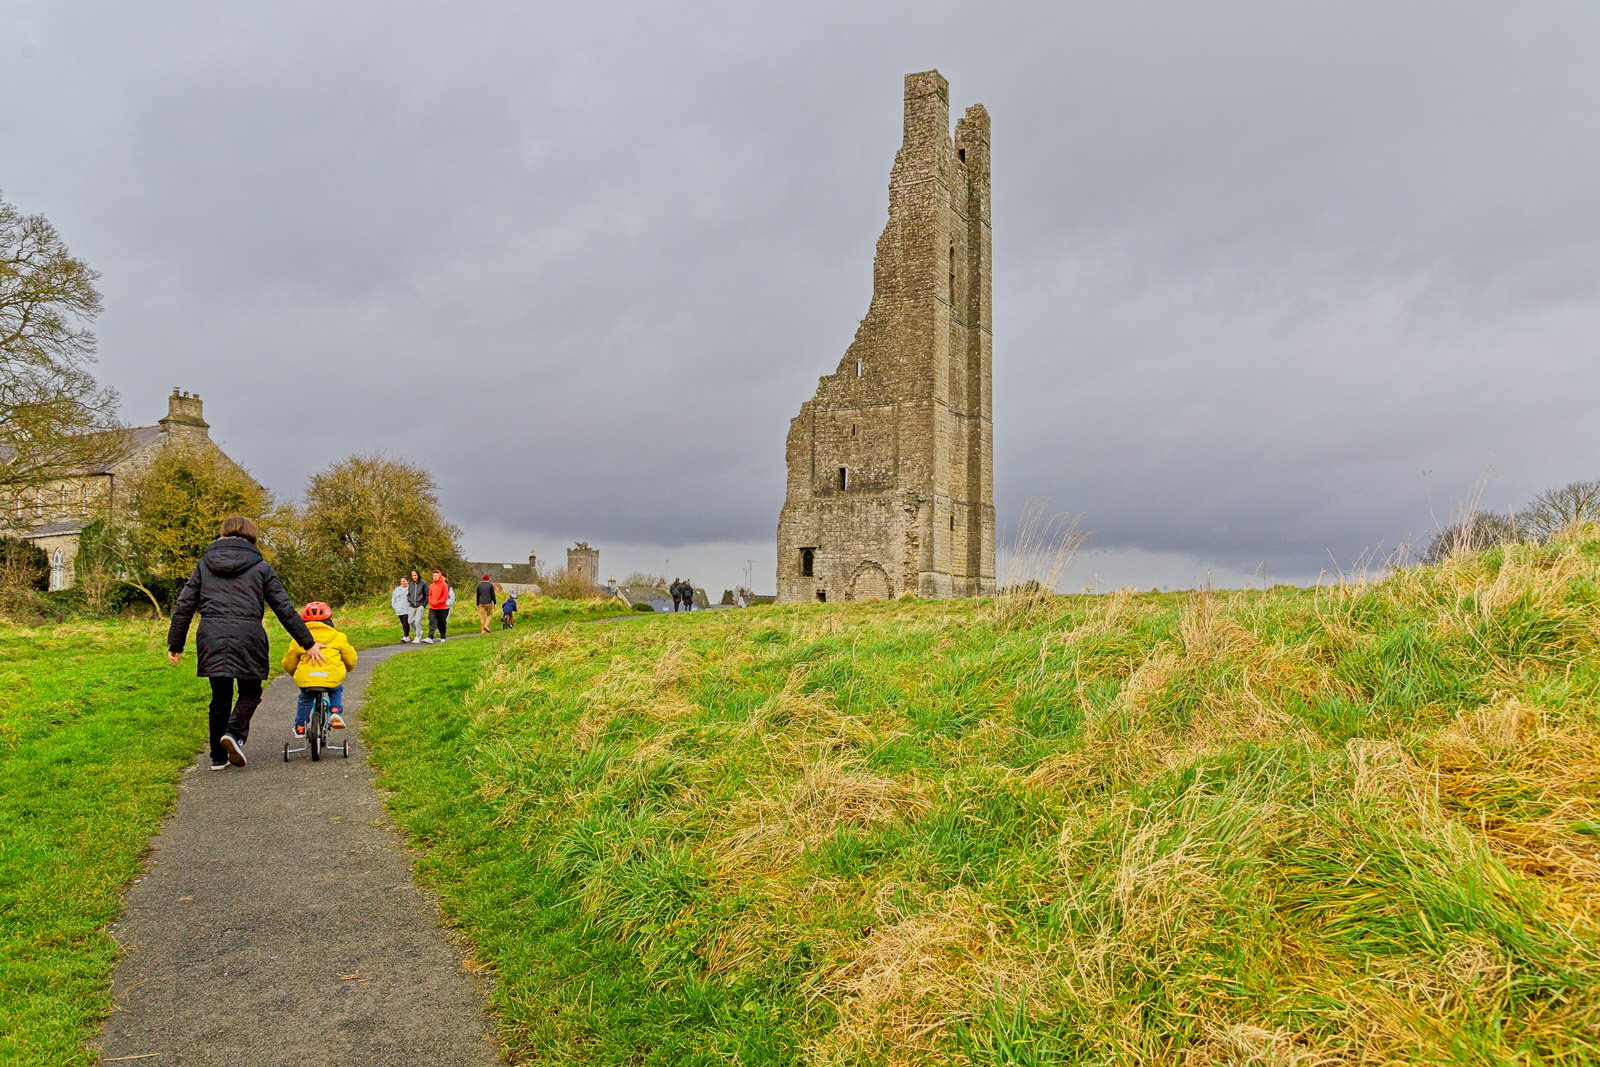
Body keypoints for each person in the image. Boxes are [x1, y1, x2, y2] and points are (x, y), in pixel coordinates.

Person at [167, 515, 326, 770]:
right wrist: (308, 642)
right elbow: (284, 608)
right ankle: (234, 733)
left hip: (211, 634)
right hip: (248, 635)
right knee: (250, 692)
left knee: (220, 697)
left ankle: (218, 758)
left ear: (222, 534)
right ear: (252, 536)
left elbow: (184, 604)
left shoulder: (204, 565)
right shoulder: (261, 567)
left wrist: (176, 644)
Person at [283, 602, 358, 736]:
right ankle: (335, 712)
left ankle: (300, 725)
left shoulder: (298, 639)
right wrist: (346, 669)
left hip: (308, 677)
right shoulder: (338, 637)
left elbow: (288, 663)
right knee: (336, 689)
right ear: (329, 621)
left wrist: (295, 673)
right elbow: (350, 659)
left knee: (305, 698)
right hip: (330, 676)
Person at [424, 569, 451, 643]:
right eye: (434, 576)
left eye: (436, 576)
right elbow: (430, 595)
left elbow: (445, 596)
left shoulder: (444, 585)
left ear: (439, 576)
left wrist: (439, 602)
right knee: (432, 621)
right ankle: (430, 637)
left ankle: (442, 636)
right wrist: (431, 601)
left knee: (441, 623)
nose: (435, 577)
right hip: (432, 607)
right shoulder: (432, 585)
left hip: (441, 607)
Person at [406, 568, 428, 641]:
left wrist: (423, 605)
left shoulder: (424, 583)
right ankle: (419, 630)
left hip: (420, 605)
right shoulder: (411, 584)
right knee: (410, 621)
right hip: (412, 605)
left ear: (418, 575)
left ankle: (417, 636)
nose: (414, 577)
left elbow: (427, 595)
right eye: (412, 575)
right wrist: (410, 600)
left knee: (417, 621)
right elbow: (408, 594)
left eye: (415, 575)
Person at [391, 577, 413, 642]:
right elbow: (393, 599)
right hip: (399, 609)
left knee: (406, 622)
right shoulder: (397, 589)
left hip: (407, 609)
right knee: (403, 623)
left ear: (407, 581)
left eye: (404, 581)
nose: (403, 583)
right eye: (401, 581)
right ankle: (407, 635)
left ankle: (406, 636)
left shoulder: (410, 589)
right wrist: (395, 606)